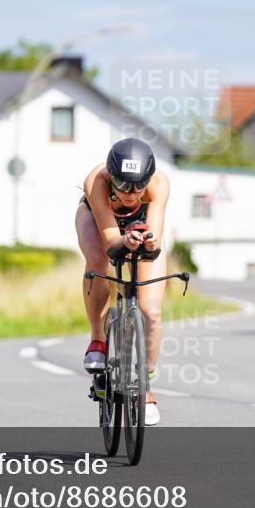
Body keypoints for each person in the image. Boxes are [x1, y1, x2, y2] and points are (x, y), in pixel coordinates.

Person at [75, 137, 170, 426]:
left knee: (151, 312)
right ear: (111, 177)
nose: (131, 193)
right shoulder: (96, 180)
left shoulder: (159, 184)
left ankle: (146, 386)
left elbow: (153, 244)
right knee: (97, 261)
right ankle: (98, 340)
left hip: (140, 222)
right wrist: (123, 240)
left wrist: (147, 242)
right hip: (98, 217)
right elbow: (111, 241)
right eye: (123, 185)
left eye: (138, 186)